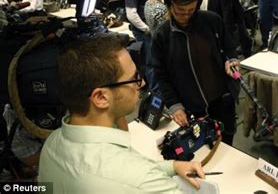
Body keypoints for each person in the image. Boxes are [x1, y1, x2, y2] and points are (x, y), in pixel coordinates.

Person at [38, 36, 205, 192]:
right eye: (134, 78)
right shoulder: (143, 181)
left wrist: (173, 166)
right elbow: (134, 176)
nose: (142, 83)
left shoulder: (51, 145)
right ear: (101, 97)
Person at [151, 0, 240, 145]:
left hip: (222, 100)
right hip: (191, 107)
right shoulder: (161, 36)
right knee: (202, 148)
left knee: (227, 144)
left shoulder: (212, 21)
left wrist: (232, 59)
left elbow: (228, 46)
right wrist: (174, 105)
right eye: (180, 10)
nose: (185, 15)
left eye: (190, 10)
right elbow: (161, 76)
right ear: (170, 5)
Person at [124, 0, 152, 85]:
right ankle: (156, 93)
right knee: (150, 63)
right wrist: (146, 29)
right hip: (144, 32)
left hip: (151, 29)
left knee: (155, 61)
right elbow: (131, 14)